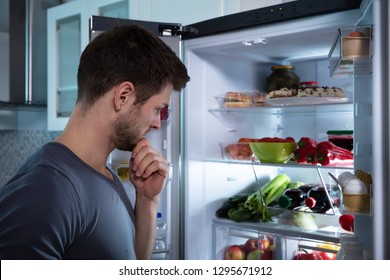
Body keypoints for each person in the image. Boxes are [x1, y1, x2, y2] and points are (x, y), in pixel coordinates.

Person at [0, 24, 189, 259]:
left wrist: (148, 200)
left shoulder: (101, 173)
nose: (156, 124)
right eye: (157, 109)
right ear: (123, 96)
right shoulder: (45, 190)